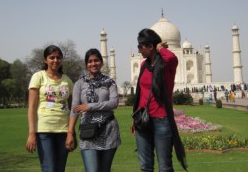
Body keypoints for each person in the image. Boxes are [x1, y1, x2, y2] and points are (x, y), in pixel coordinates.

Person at [131, 28, 187, 172]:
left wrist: (160, 48)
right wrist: (135, 118)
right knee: (145, 166)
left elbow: (172, 58)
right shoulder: (144, 65)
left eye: (140, 47)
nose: (139, 50)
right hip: (144, 120)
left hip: (161, 120)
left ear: (151, 46)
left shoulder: (166, 64)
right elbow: (141, 93)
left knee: (165, 166)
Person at [66, 48, 121, 172]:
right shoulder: (80, 84)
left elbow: (113, 103)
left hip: (108, 130)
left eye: (96, 60)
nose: (93, 63)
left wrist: (89, 106)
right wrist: (70, 133)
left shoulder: (109, 82)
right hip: (88, 131)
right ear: (86, 65)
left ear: (101, 62)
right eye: (90, 61)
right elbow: (74, 108)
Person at [25, 45, 74, 172]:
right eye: (52, 57)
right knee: (49, 168)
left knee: (59, 169)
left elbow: (72, 109)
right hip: (44, 131)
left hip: (63, 131)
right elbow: (31, 106)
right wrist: (31, 133)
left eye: (58, 57)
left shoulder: (67, 81)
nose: (55, 60)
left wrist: (71, 133)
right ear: (45, 60)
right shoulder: (39, 77)